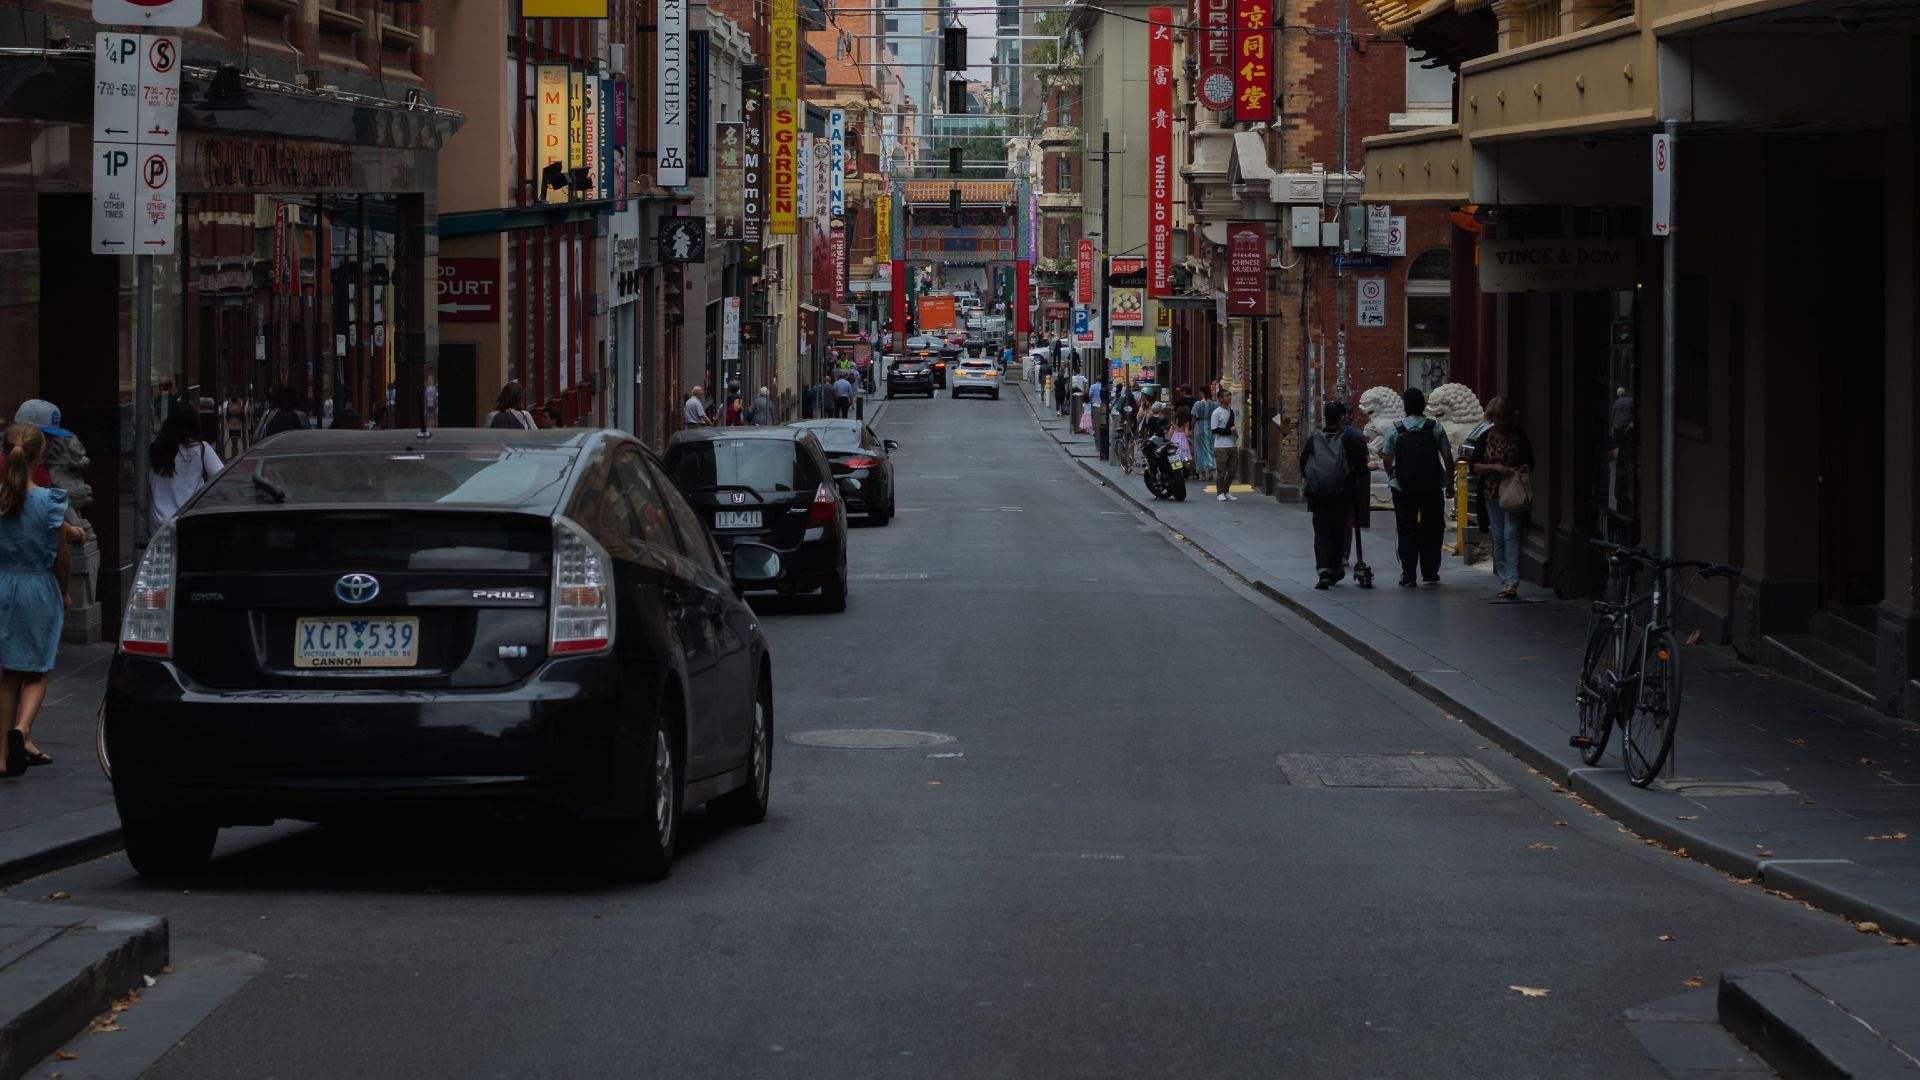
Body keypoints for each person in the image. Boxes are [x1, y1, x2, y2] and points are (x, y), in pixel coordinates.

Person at [0, 422, 73, 776]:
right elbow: (62, 558)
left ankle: (0, 757)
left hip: (4, 587)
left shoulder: (1, 501)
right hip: (38, 587)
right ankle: (23, 728)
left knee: (8, 674)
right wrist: (65, 590)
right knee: (39, 668)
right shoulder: (49, 501)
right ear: (39, 457)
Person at [1382, 386, 1455, 587]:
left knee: (1406, 529)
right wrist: (1449, 482)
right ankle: (1430, 572)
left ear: (1405, 406)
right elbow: (1447, 456)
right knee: (1432, 528)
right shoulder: (1435, 427)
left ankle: (1408, 574)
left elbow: (1387, 459)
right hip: (1431, 487)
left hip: (1402, 488)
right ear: (1423, 405)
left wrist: (1394, 477)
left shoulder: (1395, 429)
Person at [1299, 400, 1372, 588]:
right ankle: (1334, 569)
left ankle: (1322, 570)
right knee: (1338, 531)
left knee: (1321, 531)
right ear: (1342, 418)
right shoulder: (1349, 439)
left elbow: (1303, 463)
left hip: (1318, 495)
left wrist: (1314, 480)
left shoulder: (1314, 439)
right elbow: (1361, 468)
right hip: (1342, 494)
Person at [1473, 397, 1535, 599]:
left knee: (1511, 533)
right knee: (1498, 534)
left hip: (1513, 492)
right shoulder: (1485, 437)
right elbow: (1475, 466)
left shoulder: (1520, 437)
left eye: (1503, 418)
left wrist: (1516, 472)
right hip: (1491, 492)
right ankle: (1503, 578)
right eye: (1497, 418)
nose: (1501, 422)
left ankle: (1511, 581)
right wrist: (1495, 468)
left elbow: (1530, 463)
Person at [148, 401, 222, 533]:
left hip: (160, 527)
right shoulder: (201, 450)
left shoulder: (155, 450)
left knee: (163, 554)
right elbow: (221, 477)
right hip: (191, 522)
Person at [1210, 389, 1240, 501]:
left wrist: (1235, 432)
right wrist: (1229, 431)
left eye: (1230, 396)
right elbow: (1214, 430)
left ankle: (1226, 490)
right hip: (1220, 446)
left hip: (1232, 444)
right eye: (1227, 396)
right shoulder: (1216, 413)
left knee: (1232, 470)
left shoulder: (1231, 411)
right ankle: (1220, 492)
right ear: (1220, 399)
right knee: (1221, 471)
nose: (1229, 398)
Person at [1191, 386, 1216, 483]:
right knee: (1210, 448)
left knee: (1199, 450)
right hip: (1210, 428)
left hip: (1200, 427)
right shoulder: (1214, 404)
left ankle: (1202, 474)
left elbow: (1194, 418)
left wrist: (1192, 429)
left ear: (1202, 393)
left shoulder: (1197, 404)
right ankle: (1211, 471)